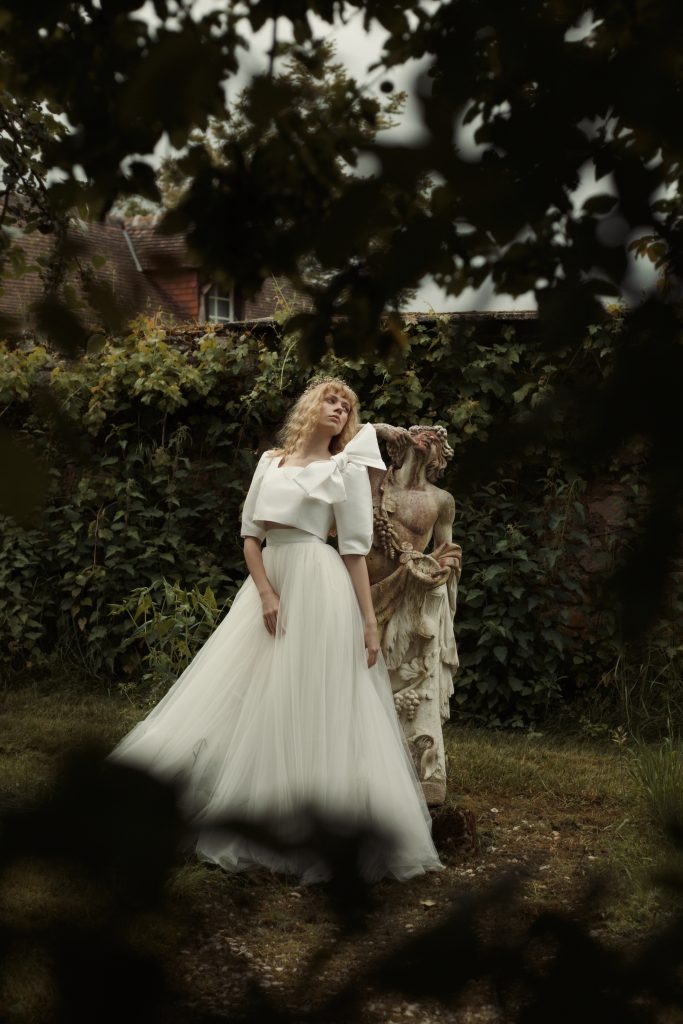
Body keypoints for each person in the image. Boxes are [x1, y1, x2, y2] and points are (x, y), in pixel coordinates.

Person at [108, 377, 444, 884]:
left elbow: (353, 550)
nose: (338, 408)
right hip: (270, 586)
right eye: (330, 399)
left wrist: (369, 623)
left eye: (346, 405)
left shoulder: (344, 470)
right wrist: (266, 591)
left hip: (320, 586)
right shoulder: (271, 463)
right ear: (311, 407)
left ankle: (317, 827)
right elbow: (250, 535)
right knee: (247, 690)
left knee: (310, 698)